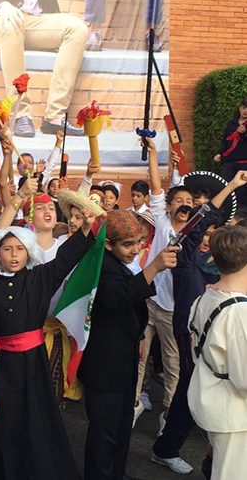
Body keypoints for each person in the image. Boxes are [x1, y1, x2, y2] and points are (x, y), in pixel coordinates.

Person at [0, 208, 96, 479]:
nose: (14, 255)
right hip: (3, 366)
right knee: (5, 423)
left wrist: (85, 229)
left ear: (28, 252)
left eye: (20, 249)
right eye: (7, 249)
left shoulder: (40, 277)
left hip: (35, 363)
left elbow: (65, 259)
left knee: (38, 420)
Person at [150, 171, 245, 474]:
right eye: (202, 233)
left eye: (211, 234)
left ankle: (171, 445)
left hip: (208, 338)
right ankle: (169, 447)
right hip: (190, 335)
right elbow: (199, 226)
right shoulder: (184, 258)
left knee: (193, 389)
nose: (205, 238)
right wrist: (230, 187)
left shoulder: (221, 269)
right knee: (193, 388)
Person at [78, 209, 178, 480]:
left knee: (122, 427)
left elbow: (129, 304)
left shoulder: (117, 263)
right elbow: (117, 298)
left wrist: (140, 336)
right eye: (128, 244)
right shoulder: (99, 265)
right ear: (108, 244)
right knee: (105, 432)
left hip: (124, 357)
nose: (136, 249)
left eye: (138, 242)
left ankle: (116, 473)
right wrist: (154, 266)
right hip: (104, 365)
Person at [0, 0, 88, 137]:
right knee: (10, 25)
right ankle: (21, 114)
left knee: (77, 29)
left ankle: (54, 117)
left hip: (32, 21)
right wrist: (3, 7)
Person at [136, 138, 191, 439]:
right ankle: (134, 403)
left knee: (173, 365)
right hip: (148, 302)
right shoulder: (160, 218)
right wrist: (155, 154)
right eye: (178, 201)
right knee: (138, 355)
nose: (183, 206)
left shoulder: (195, 233)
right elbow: (157, 186)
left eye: (189, 204)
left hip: (173, 310)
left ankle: (167, 418)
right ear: (168, 206)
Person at [187, 225, 247, 480]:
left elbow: (196, 352)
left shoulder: (205, 297)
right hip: (234, 413)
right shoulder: (239, 312)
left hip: (212, 397)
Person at [215, 97, 247, 204]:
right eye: (244, 108)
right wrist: (219, 153)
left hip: (244, 164)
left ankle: (241, 216)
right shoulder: (231, 124)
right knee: (226, 188)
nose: (245, 111)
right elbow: (225, 140)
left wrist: (244, 134)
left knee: (242, 192)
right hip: (229, 163)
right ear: (240, 108)